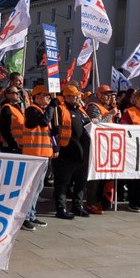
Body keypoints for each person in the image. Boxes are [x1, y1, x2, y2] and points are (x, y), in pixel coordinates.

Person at [20, 85, 57, 230]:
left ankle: (31, 214)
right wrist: (52, 107)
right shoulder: (31, 110)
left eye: (49, 95)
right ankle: (24, 217)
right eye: (45, 95)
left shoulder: (42, 110)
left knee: (38, 187)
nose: (48, 97)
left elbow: (46, 129)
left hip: (43, 155)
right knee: (31, 187)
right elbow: (42, 121)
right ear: (36, 97)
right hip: (33, 155)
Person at [54, 85, 92, 219]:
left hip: (82, 153)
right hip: (67, 153)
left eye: (78, 95)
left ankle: (77, 206)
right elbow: (55, 130)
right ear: (67, 97)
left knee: (81, 182)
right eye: (75, 96)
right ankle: (61, 208)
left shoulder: (81, 110)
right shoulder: (60, 110)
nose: (77, 97)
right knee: (63, 183)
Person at [0, 85, 25, 153]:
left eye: (18, 92)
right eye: (15, 93)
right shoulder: (6, 108)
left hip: (19, 145)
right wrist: (14, 145)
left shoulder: (16, 108)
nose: (18, 94)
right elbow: (5, 129)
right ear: (8, 95)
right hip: (11, 147)